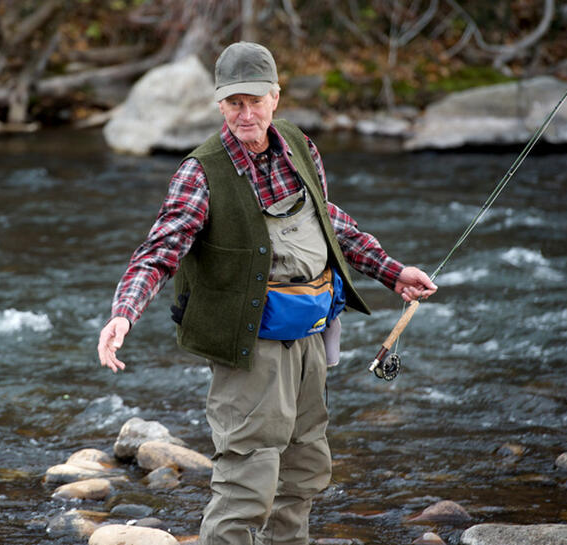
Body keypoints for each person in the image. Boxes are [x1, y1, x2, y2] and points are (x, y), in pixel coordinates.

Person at [97, 41, 437, 545]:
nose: (246, 113)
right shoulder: (200, 172)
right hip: (246, 343)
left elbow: (330, 222)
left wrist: (391, 272)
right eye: (234, 102)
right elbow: (160, 249)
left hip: (310, 337)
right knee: (247, 481)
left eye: (255, 100)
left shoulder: (300, 145)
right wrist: (124, 314)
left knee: (304, 468)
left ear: (276, 98)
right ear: (220, 105)